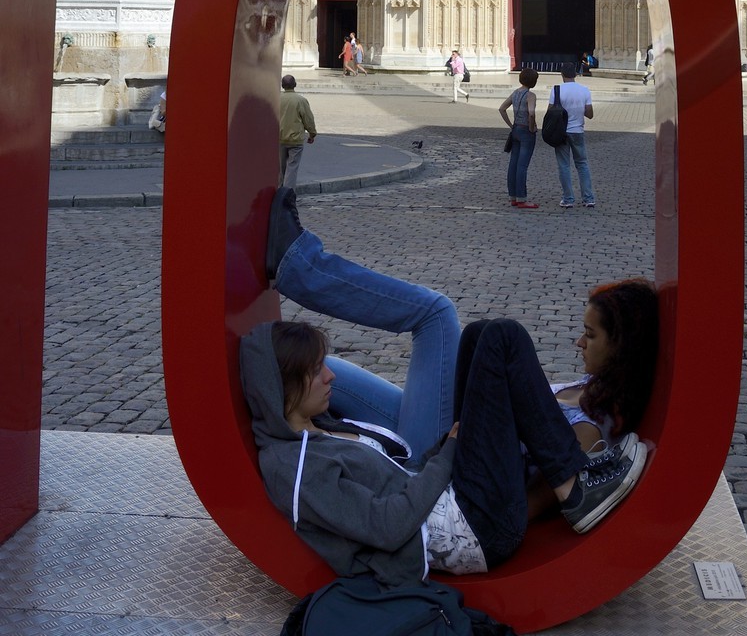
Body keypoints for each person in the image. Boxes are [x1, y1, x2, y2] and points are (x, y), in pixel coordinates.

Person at [241, 316, 647, 585]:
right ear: (281, 387)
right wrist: (451, 452)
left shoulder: (322, 428)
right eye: (315, 371)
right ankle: (573, 486)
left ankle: (569, 481)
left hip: (459, 500)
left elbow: (403, 474)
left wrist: (442, 448)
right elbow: (388, 525)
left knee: (477, 335)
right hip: (475, 531)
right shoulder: (295, 467)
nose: (329, 375)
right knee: (503, 338)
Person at [263, 190, 658, 465]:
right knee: (317, 367)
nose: (577, 342)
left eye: (590, 336)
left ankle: (300, 270)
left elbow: (525, 486)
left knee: (436, 313)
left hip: (436, 460)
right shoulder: (588, 388)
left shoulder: (592, 432)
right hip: (444, 425)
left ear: (623, 347)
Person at [551, 61, 595, 208]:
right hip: (577, 131)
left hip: (561, 132)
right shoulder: (584, 90)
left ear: (562, 74)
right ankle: (588, 198)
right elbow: (590, 114)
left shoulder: (556, 90)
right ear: (576, 74)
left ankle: (568, 199)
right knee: (582, 164)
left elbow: (550, 112)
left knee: (564, 166)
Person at [499, 67, 539, 209]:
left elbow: (502, 109)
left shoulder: (515, 93)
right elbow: (532, 113)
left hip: (515, 129)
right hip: (526, 132)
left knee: (513, 164)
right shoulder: (530, 95)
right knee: (522, 166)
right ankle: (522, 198)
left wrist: (511, 125)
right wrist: (531, 127)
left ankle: (513, 197)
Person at [279, 74, 316, 187]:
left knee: (281, 169)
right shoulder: (301, 100)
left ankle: (280, 191)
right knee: (292, 167)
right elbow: (308, 119)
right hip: (295, 139)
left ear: (282, 85)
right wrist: (312, 134)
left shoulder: (277, 98)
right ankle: (288, 194)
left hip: (280, 137)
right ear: (295, 84)